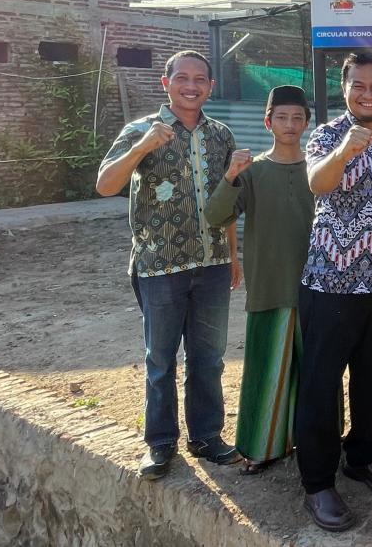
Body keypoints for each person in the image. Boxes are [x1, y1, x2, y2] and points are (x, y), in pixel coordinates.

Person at [95, 49, 242, 479]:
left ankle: (206, 436)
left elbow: (228, 200)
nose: (191, 86)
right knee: (160, 360)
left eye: (200, 79)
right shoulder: (140, 131)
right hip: (159, 267)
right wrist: (143, 147)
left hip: (212, 264)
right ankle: (160, 444)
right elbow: (105, 184)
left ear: (211, 87)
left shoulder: (221, 135)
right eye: (182, 78)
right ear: (166, 83)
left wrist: (233, 255)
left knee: (208, 358)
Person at [297, 51, 372, 532]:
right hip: (333, 282)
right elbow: (317, 184)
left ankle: (363, 456)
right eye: (358, 86)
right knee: (322, 383)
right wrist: (345, 150)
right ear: (344, 89)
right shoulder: (326, 135)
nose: (368, 94)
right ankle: (318, 482)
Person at [204, 85, 314, 474]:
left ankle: (315, 442)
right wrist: (231, 175)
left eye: (297, 118)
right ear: (268, 122)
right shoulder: (253, 172)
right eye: (282, 117)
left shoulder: (320, 169)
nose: (290, 125)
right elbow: (216, 216)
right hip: (269, 285)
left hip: (317, 287)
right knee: (266, 369)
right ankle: (262, 446)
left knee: (315, 372)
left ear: (307, 123)